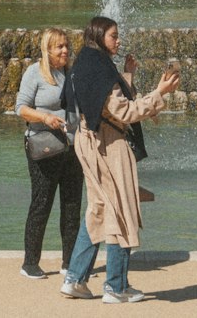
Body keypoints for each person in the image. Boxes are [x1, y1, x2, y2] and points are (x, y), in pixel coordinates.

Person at [61, 16, 180, 303]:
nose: (118, 40)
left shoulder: (86, 63)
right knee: (121, 210)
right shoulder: (99, 67)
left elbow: (104, 102)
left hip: (88, 141)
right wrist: (160, 93)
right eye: (114, 35)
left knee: (100, 209)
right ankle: (116, 286)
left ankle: (75, 279)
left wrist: (126, 76)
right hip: (107, 144)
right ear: (100, 35)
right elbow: (124, 113)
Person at [15, 28, 84, 280]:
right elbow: (20, 108)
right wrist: (45, 117)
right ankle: (30, 263)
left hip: (73, 147)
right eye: (59, 47)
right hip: (44, 147)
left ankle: (69, 262)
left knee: (72, 205)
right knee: (42, 203)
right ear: (48, 49)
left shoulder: (71, 73)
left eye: (66, 46)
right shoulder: (35, 73)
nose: (65, 50)